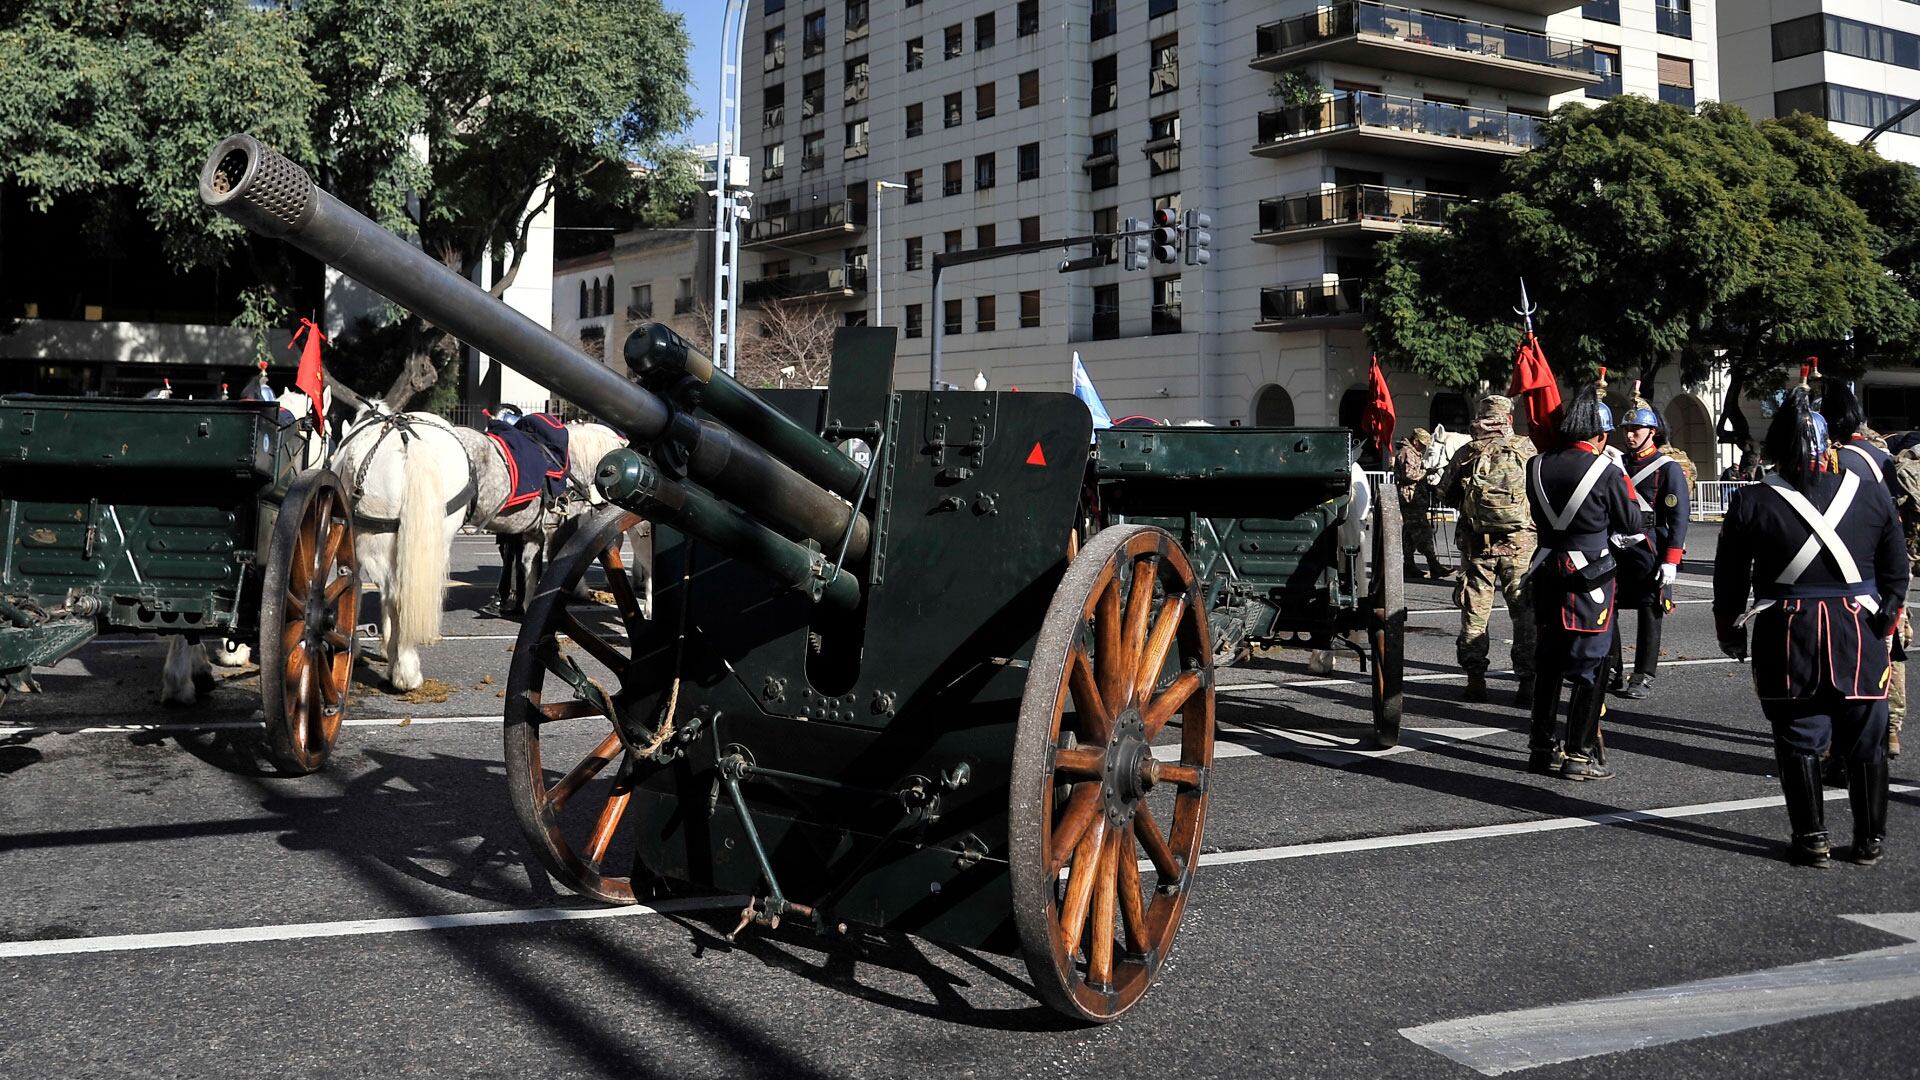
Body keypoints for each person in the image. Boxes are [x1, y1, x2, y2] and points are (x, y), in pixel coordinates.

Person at [1714, 388, 1906, 866]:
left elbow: (1730, 579)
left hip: (1787, 631)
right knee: (1866, 740)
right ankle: (1869, 840)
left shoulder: (1752, 501)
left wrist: (1729, 630)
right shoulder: (1871, 493)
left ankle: (1812, 839)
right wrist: (1888, 616)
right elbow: (1896, 570)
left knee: (1798, 739)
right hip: (1858, 631)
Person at [1525, 386, 1639, 781]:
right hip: (1588, 579)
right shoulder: (1607, 471)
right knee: (1592, 665)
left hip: (1544, 572)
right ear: (1601, 436)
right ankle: (1578, 753)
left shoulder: (1535, 465)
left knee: (1549, 664)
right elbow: (1630, 523)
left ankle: (1541, 747)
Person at [1439, 395, 1537, 706]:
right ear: (1508, 419)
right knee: (1523, 613)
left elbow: (1445, 494)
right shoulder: (1527, 449)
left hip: (1477, 545)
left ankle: (1475, 679)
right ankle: (1526, 684)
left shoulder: (1467, 452)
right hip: (1519, 545)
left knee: (1475, 612)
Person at [1824, 383, 1905, 759]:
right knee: (1894, 644)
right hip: (1892, 559)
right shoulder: (1882, 456)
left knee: (1852, 654)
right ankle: (1892, 730)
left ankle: (1844, 740)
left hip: (1853, 565)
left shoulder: (1836, 459)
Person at [1605, 406, 1689, 699]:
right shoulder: (1617, 463)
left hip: (1649, 544)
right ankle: (1612, 668)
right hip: (1616, 543)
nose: (1629, 436)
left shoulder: (1667, 467)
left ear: (1651, 433)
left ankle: (1642, 675)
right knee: (1607, 605)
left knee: (1650, 609)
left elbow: (1678, 515)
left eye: (1635, 430)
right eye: (1626, 431)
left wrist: (1671, 560)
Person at [1394, 429, 1451, 580]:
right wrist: (1426, 473)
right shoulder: (1407, 452)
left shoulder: (1410, 452)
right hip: (1410, 497)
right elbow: (1409, 474)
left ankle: (1409, 565)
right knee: (1423, 531)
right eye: (1423, 445)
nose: (1424, 448)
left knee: (1409, 533)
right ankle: (1433, 564)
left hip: (1413, 495)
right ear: (1416, 441)